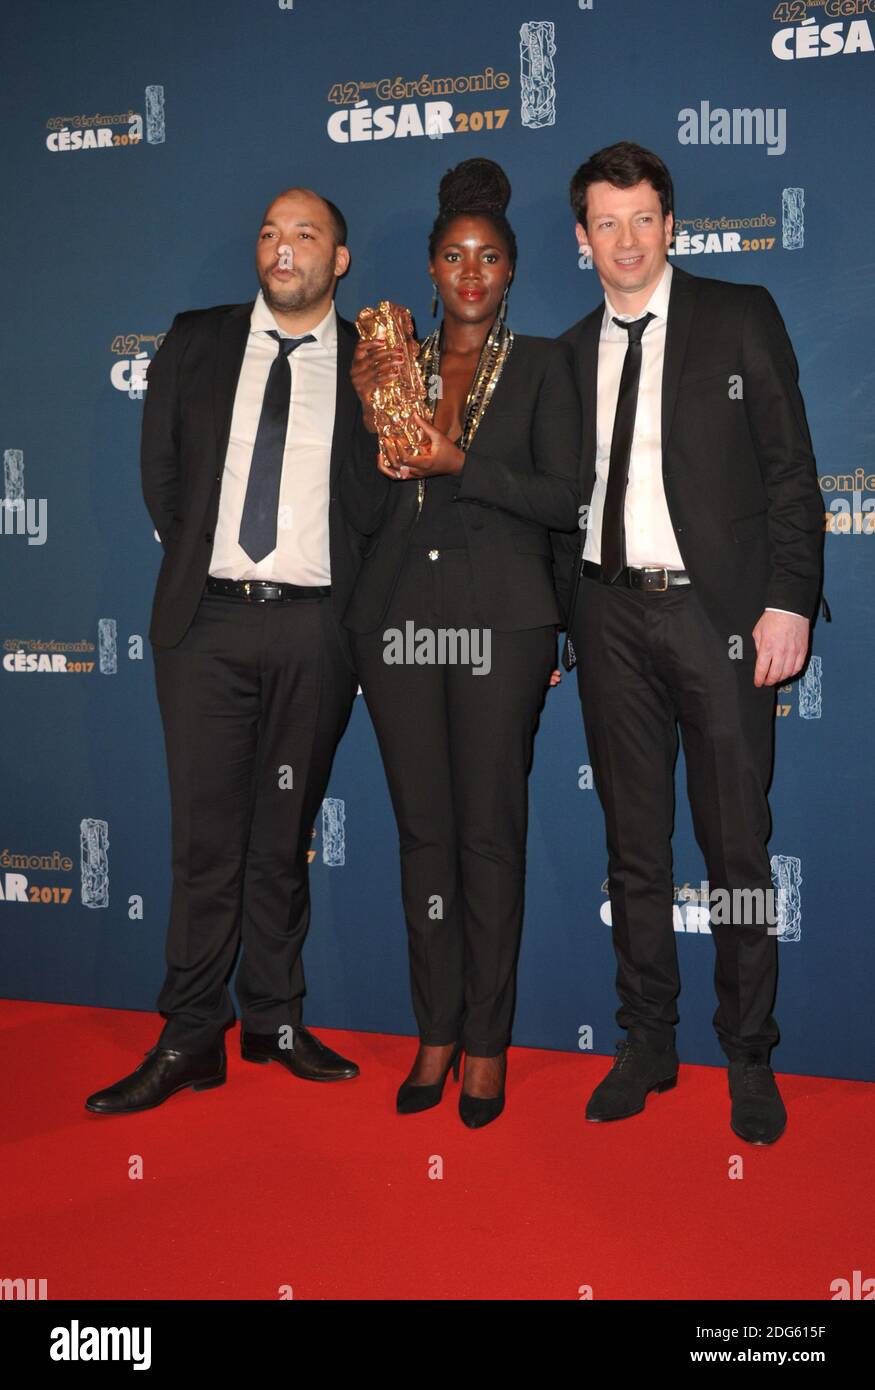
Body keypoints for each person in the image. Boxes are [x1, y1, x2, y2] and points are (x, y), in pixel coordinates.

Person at [86, 187, 379, 1114]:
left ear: (339, 259)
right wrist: (209, 571)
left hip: (314, 628)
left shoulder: (375, 362)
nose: (281, 247)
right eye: (268, 232)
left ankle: (275, 1021)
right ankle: (189, 1033)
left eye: (305, 234)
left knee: (280, 841)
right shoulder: (198, 339)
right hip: (205, 625)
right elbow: (162, 478)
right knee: (205, 841)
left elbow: (379, 503)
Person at [555, 142, 824, 1144]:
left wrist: (786, 602)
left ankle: (747, 1053)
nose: (624, 241)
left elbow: (790, 473)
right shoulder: (566, 351)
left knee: (735, 850)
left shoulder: (737, 315)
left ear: (669, 225)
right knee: (632, 849)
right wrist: (555, 623)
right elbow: (558, 506)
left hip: (716, 618)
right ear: (580, 240)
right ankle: (646, 1040)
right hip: (605, 617)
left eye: (641, 219)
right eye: (604, 223)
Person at [343, 158, 580, 1128]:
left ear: (512, 271)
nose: (470, 271)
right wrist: (371, 423)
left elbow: (566, 500)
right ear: (430, 269)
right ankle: (432, 1029)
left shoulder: (541, 366)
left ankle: (485, 1042)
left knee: (487, 834)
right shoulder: (386, 366)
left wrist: (460, 464)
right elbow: (360, 512)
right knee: (422, 836)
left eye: (488, 256)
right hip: (394, 620)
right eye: (452, 255)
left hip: (504, 623)